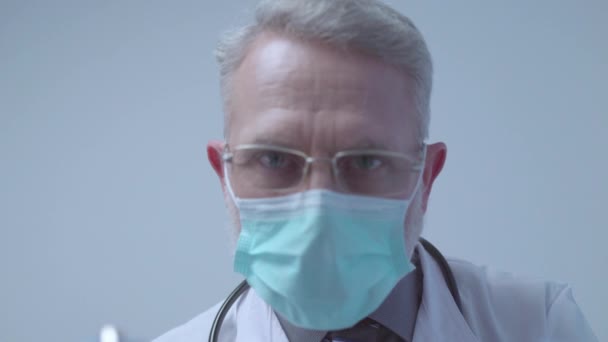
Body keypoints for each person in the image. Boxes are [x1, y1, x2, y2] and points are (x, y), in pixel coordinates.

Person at [154, 0, 598, 341]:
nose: (318, 214)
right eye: (275, 159)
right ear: (224, 176)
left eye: (365, 161)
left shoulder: (539, 325)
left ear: (425, 178)